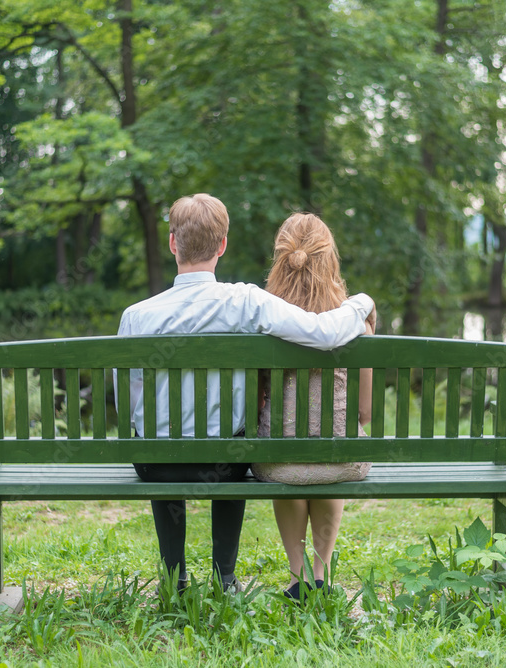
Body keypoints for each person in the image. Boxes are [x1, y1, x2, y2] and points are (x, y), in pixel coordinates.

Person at [115, 194, 376, 594]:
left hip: (155, 463)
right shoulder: (245, 301)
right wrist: (361, 304)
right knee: (232, 444)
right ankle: (224, 578)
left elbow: (129, 401)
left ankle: (174, 578)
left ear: (172, 243)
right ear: (222, 245)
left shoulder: (136, 315)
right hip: (225, 461)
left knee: (157, 442)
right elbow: (322, 332)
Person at [250, 213, 374, 600]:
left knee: (290, 454)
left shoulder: (262, 323)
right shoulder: (356, 324)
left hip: (277, 462)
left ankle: (297, 575)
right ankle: (321, 574)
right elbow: (365, 414)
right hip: (343, 461)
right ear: (330, 260)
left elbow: (255, 405)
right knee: (334, 446)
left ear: (280, 260)